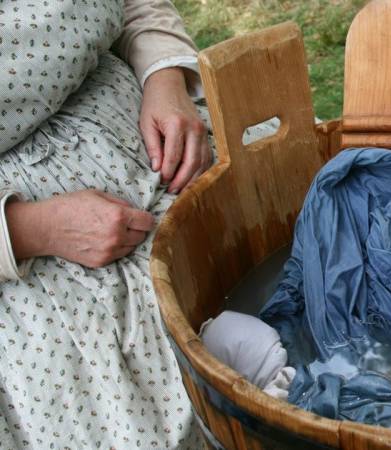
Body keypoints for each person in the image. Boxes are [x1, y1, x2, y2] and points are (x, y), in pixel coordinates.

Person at [0, 1, 277, 447]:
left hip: (140, 112)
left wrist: (164, 79)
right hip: (38, 253)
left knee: (329, 214)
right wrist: (30, 229)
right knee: (179, 405)